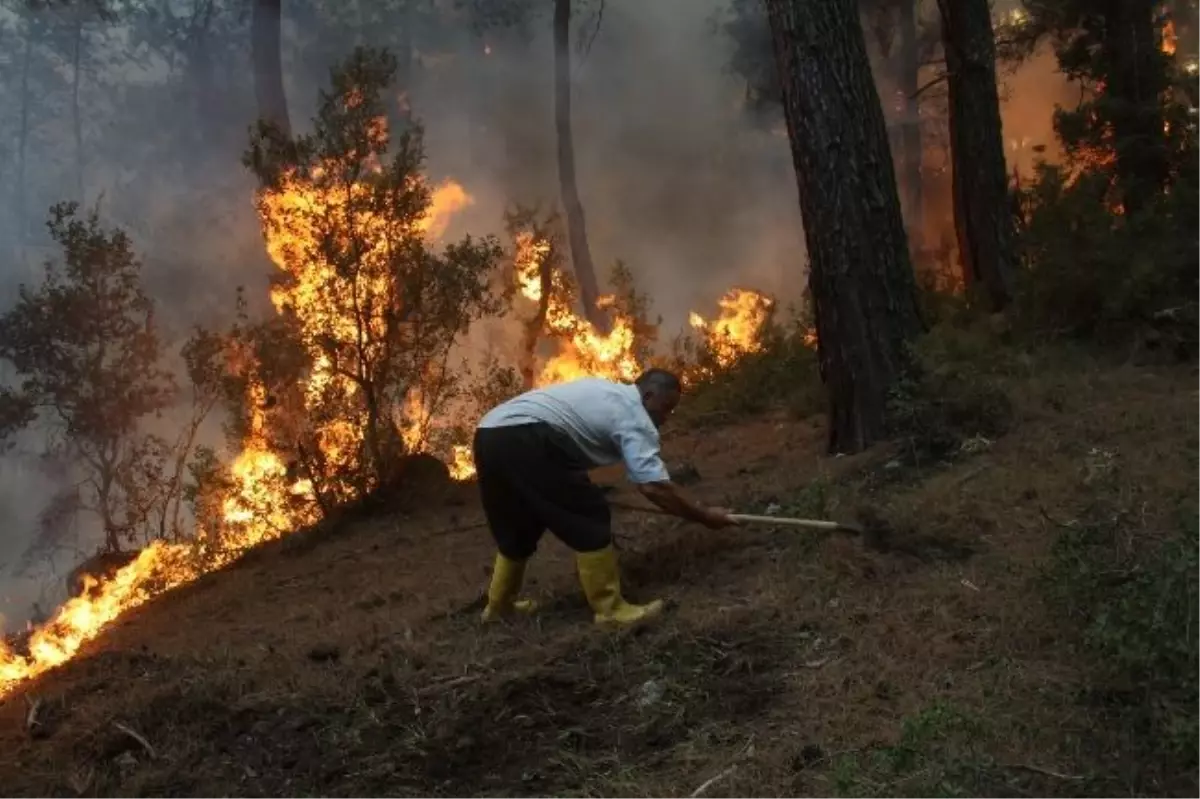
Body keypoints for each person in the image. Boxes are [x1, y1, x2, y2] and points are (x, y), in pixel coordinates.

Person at [472, 368, 736, 627]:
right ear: (648, 395)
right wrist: (704, 515)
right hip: (528, 435)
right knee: (590, 514)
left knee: (519, 523)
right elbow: (654, 488)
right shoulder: (634, 417)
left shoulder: (607, 390)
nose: (666, 417)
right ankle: (610, 611)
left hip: (489, 432)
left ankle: (499, 607)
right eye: (666, 408)